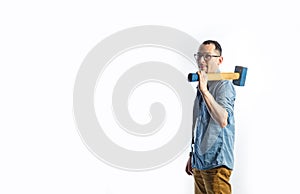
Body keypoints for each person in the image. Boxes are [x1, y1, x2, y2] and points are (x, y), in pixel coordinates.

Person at [185, 40, 236, 194]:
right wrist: (192, 155)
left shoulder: (223, 86)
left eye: (207, 56)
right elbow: (200, 124)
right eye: (199, 56)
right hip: (199, 163)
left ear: (219, 60)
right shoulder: (203, 84)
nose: (201, 60)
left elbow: (222, 119)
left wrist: (205, 92)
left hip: (216, 163)